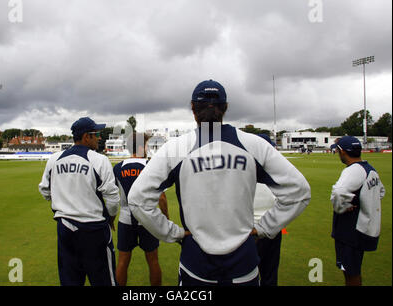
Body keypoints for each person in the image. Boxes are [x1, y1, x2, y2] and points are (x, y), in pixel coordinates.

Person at [127, 79, 311, 286]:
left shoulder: (176, 148)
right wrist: (265, 228)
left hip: (196, 262)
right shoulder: (254, 144)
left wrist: (173, 233)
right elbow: (300, 191)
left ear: (193, 108)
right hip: (244, 263)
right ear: (225, 108)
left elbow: (137, 199)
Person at [38, 117, 120, 286]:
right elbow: (112, 197)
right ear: (85, 137)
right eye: (95, 134)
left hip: (65, 228)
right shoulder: (99, 160)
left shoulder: (54, 159)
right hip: (94, 230)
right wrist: (111, 218)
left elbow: (45, 190)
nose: (99, 137)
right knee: (104, 280)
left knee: (71, 280)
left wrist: (64, 201)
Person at [113, 132, 169, 286]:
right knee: (153, 260)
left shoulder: (117, 168)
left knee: (123, 261)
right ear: (140, 146)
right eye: (146, 145)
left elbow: (112, 195)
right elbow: (162, 198)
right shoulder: (151, 166)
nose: (147, 148)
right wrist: (166, 217)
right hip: (148, 221)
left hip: (125, 220)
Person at [331, 136, 385, 286]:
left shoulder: (353, 171)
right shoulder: (370, 169)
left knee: (350, 272)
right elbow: (381, 192)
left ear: (342, 151)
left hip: (351, 228)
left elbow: (338, 193)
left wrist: (341, 207)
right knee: (353, 269)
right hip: (364, 226)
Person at [253, 134, 282, 286]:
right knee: (269, 275)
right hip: (271, 229)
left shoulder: (240, 169)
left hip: (250, 230)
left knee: (246, 274)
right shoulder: (278, 172)